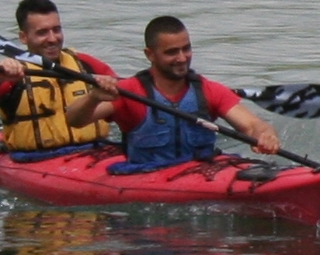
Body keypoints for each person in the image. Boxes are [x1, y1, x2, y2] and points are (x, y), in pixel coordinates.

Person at [107, 16, 283, 167]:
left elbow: (252, 125)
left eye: (186, 48)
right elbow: (79, 119)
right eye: (172, 52)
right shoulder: (129, 91)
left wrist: (266, 134)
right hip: (146, 172)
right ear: (150, 54)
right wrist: (94, 97)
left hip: (202, 170)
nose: (182, 58)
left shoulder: (209, 90)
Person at [0, 0, 122, 157]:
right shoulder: (14, 73)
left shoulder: (85, 64)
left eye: (56, 30)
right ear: (23, 37)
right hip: (36, 159)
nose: (52, 39)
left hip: (95, 151)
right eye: (42, 33)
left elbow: (125, 89)